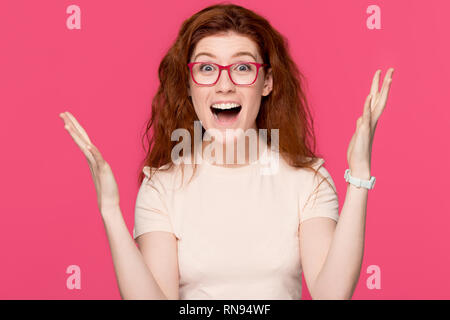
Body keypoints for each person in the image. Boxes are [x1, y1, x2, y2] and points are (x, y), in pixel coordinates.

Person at [59, 3, 394, 300]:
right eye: (206, 68)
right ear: (189, 86)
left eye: (243, 68)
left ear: (267, 83)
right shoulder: (162, 186)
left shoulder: (307, 180)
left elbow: (331, 295)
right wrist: (110, 212)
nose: (224, 84)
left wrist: (359, 177)